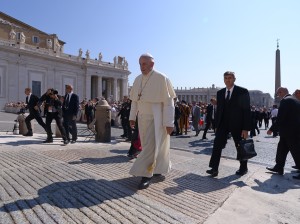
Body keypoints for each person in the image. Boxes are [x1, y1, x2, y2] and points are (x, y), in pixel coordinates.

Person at [128, 53, 176, 189]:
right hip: (142, 118)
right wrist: (132, 117)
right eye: (140, 64)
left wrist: (169, 122)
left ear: (152, 64)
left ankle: (145, 175)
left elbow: (168, 102)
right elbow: (135, 101)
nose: (141, 67)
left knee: (150, 147)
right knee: (151, 145)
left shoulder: (162, 78)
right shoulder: (137, 79)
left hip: (157, 118)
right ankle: (155, 169)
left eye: (144, 64)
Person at [206, 71, 251, 177]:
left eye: (230, 78)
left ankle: (243, 167)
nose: (228, 80)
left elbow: (246, 110)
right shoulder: (220, 92)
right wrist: (216, 125)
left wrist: (246, 128)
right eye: (225, 78)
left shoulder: (242, 91)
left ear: (234, 79)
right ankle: (214, 168)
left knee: (240, 146)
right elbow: (219, 110)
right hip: (223, 124)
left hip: (238, 124)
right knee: (217, 145)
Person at [266, 87, 300, 178]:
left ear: (281, 92)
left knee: (296, 151)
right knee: (281, 149)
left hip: (290, 132)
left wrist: (272, 129)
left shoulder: (286, 101)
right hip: (290, 131)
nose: (278, 96)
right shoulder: (295, 100)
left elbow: (281, 118)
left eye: (278, 94)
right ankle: (279, 167)